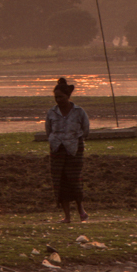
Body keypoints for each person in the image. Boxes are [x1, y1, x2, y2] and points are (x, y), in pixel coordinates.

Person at [45, 77, 90, 223]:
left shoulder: (79, 112)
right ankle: (67, 217)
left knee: (74, 181)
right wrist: (55, 141)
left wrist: (75, 140)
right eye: (56, 97)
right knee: (59, 182)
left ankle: (81, 211)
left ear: (68, 96)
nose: (58, 100)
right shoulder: (52, 113)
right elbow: (48, 130)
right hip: (57, 150)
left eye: (61, 97)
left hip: (74, 150)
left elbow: (85, 129)